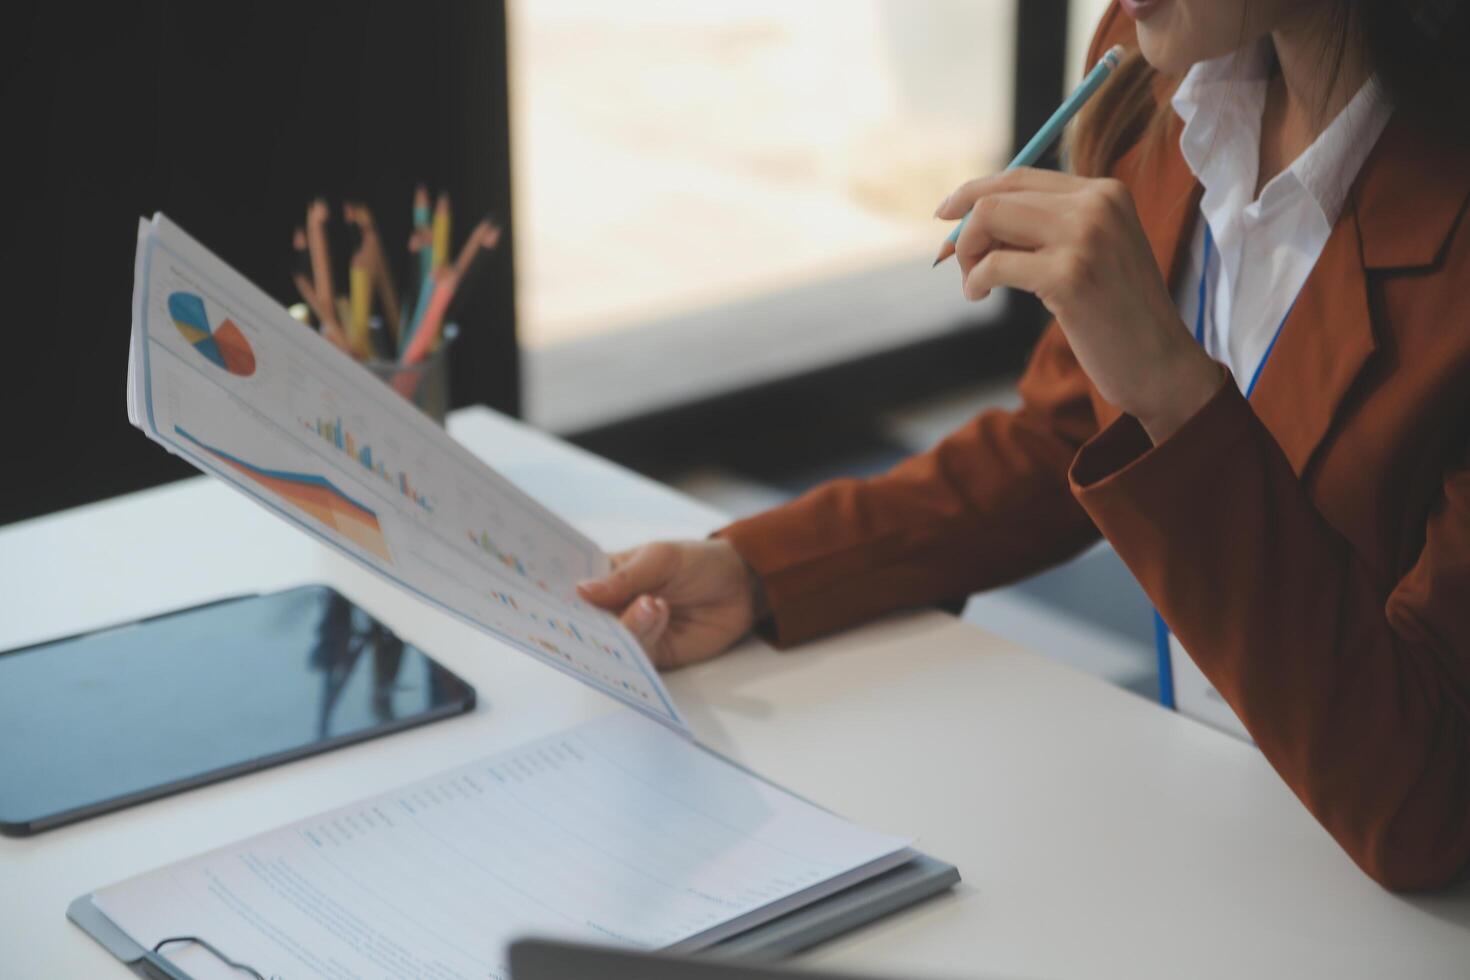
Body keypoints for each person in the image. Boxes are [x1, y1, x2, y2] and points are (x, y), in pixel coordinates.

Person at [577, 0, 1470, 891]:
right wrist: (760, 570)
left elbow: (1427, 807)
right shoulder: (1155, 66)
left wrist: (1170, 383)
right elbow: (1069, 435)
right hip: (1211, 824)